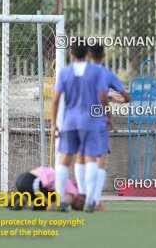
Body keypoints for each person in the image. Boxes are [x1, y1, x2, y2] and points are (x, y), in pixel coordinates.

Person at [50, 38, 110, 212]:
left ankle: (61, 201)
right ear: (87, 53)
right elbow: (102, 96)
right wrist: (107, 115)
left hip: (69, 121)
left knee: (64, 159)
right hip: (89, 122)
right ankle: (90, 201)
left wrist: (54, 124)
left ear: (71, 52)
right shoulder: (95, 72)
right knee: (91, 158)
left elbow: (55, 100)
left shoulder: (65, 72)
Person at [88, 43, 130, 211]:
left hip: (79, 120)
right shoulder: (106, 74)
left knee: (84, 159)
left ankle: (84, 197)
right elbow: (126, 97)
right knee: (100, 159)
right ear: (103, 55)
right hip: (98, 120)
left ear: (89, 54)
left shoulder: (78, 73)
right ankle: (94, 200)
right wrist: (116, 98)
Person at [10, 166, 85, 211]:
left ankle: (17, 200)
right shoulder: (73, 193)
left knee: (52, 197)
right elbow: (61, 203)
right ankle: (25, 203)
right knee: (47, 204)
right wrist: (54, 207)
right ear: (80, 200)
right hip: (34, 183)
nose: (79, 209)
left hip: (22, 179)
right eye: (81, 207)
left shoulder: (66, 183)